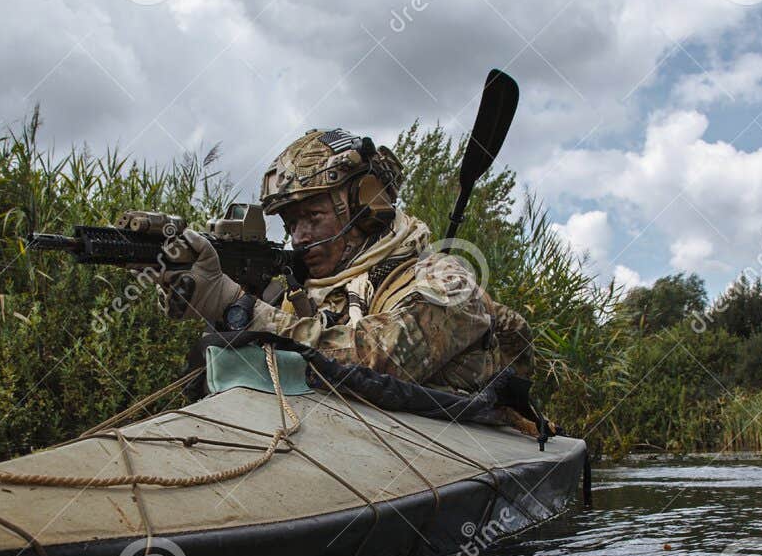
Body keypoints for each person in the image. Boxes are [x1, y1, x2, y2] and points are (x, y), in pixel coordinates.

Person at [154, 129, 532, 392]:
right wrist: (214, 303)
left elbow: (375, 363)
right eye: (290, 223)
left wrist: (242, 309)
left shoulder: (446, 285)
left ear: (364, 207)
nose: (298, 236)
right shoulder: (307, 290)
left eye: (312, 217)